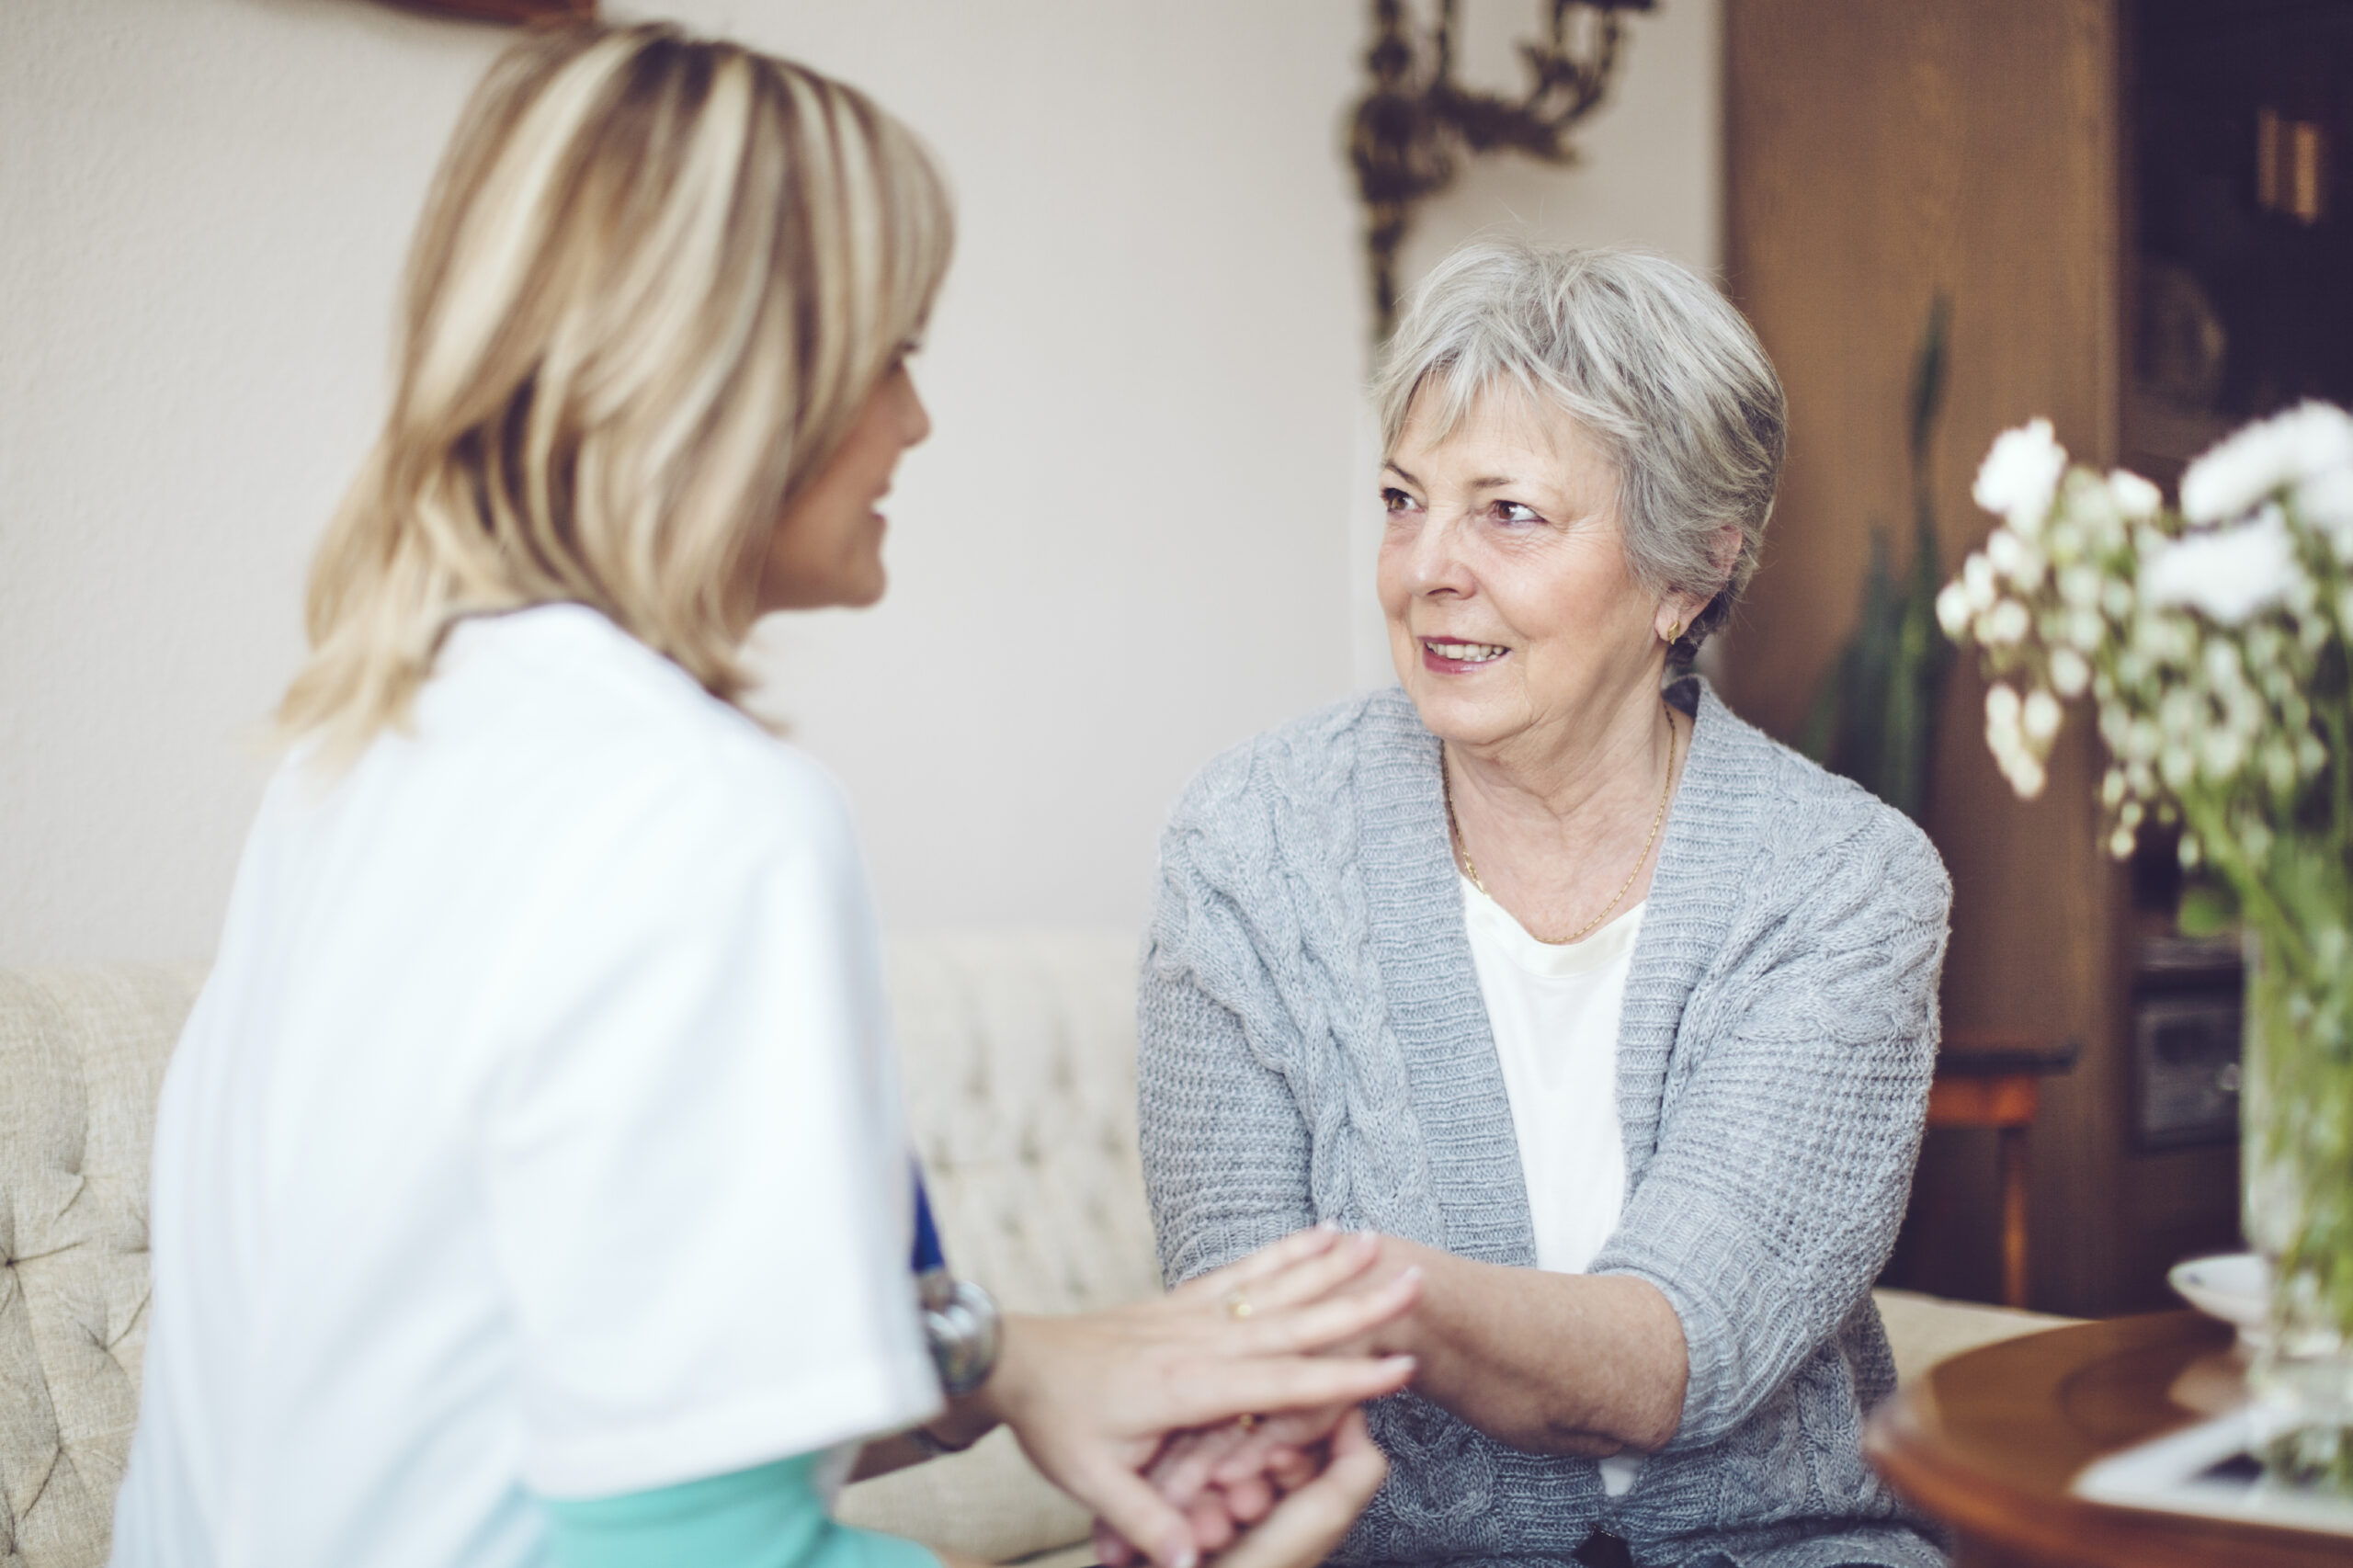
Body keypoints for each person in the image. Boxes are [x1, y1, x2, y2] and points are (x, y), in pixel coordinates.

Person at [108, 24, 1419, 1568]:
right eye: (893, 353)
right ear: (738, 375)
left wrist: (996, 1358)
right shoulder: (704, 819)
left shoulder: (358, 758)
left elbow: (505, 1380)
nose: (914, 422)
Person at [1136, 240, 1955, 1568]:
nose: (1427, 569)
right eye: (1406, 500)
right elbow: (1244, 1350)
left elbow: (1668, 1352)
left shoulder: (1843, 882)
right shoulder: (1247, 847)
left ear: (1686, 574)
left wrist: (1350, 1290)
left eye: (1508, 512)